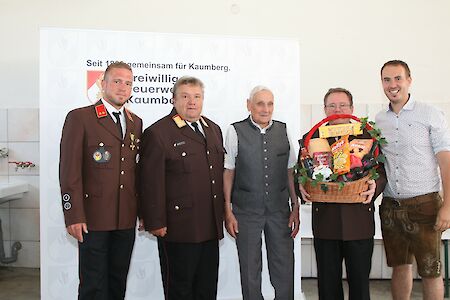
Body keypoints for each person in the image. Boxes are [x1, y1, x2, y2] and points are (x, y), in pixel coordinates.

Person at [59, 61, 142, 300]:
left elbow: (135, 171)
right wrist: (73, 214)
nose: (122, 87)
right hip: (93, 218)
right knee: (93, 285)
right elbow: (69, 171)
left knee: (118, 282)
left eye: (128, 83)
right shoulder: (81, 118)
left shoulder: (136, 122)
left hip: (125, 217)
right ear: (103, 84)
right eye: (117, 81)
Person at [138, 76, 225, 300]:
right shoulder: (158, 133)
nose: (191, 102)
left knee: (207, 288)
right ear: (174, 100)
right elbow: (150, 181)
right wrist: (155, 221)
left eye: (196, 97)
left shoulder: (213, 129)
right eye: (185, 96)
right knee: (180, 289)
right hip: (178, 228)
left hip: (209, 224)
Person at [299, 87, 386, 300]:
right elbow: (300, 170)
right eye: (332, 106)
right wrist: (301, 185)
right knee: (328, 287)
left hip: (359, 224)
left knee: (360, 286)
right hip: (326, 224)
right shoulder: (312, 138)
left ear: (352, 108)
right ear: (325, 110)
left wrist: (375, 186)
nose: (337, 110)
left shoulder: (367, 137)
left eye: (342, 105)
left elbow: (382, 172)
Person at [376, 60, 450, 300]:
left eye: (398, 78)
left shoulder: (430, 114)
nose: (392, 84)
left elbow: (445, 162)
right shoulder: (379, 120)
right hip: (390, 206)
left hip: (425, 205)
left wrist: (448, 205)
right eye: (387, 79)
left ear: (409, 80)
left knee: (430, 270)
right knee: (399, 266)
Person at [223, 86, 300, 300]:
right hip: (245, 211)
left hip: (279, 211)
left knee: (284, 266)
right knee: (249, 269)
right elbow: (228, 171)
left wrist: (295, 207)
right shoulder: (234, 130)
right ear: (249, 105)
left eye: (270, 103)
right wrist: (227, 210)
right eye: (260, 103)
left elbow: (290, 171)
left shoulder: (284, 130)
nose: (265, 109)